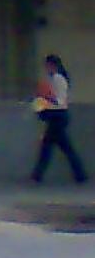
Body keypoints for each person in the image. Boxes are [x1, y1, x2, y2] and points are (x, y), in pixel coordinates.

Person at [31, 53, 89, 185]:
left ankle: (37, 176)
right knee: (61, 148)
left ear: (53, 65)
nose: (46, 68)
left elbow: (59, 101)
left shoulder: (58, 79)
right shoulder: (53, 79)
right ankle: (80, 175)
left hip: (58, 115)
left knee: (50, 148)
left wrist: (44, 98)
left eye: (48, 65)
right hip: (57, 116)